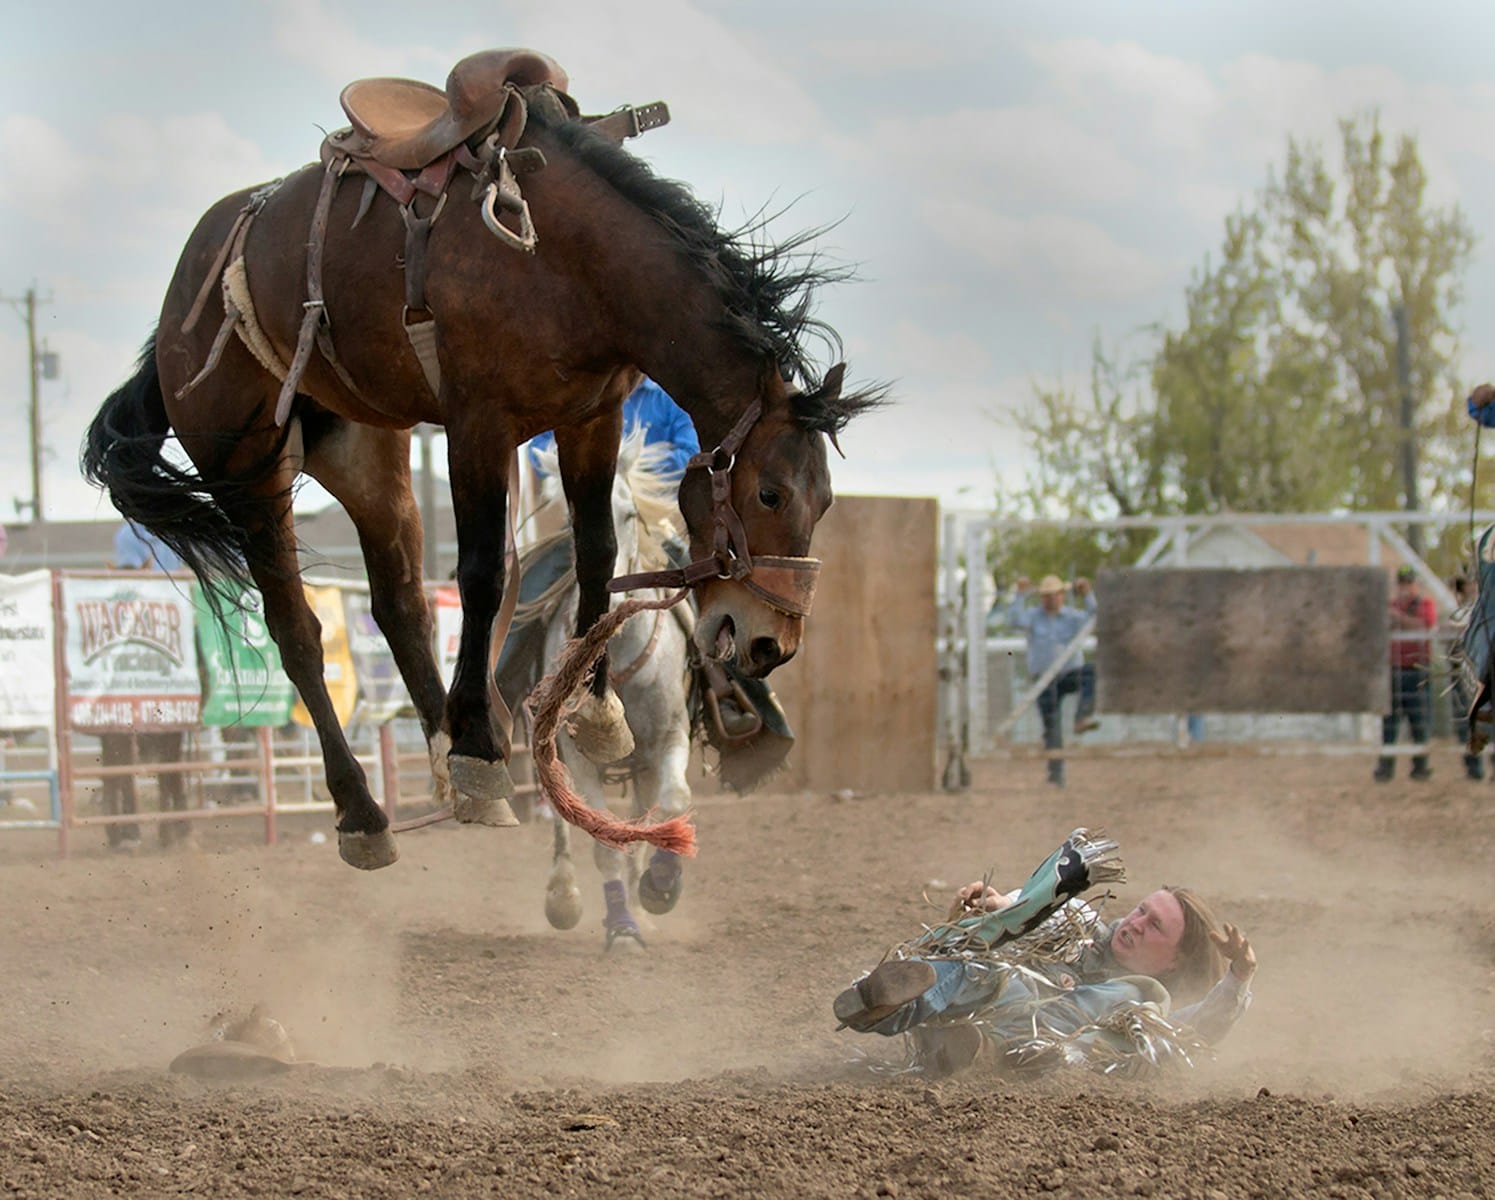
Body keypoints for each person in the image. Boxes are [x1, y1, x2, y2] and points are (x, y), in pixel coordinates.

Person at [834, 830, 1256, 1078]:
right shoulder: (1082, 920)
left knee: (1139, 1000)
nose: (1135, 923)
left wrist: (1238, 976)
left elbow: (1199, 1027)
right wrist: (996, 907)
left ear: (1177, 959)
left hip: (1041, 1044)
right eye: (1141, 910)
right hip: (993, 1001)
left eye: (1155, 926)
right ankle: (884, 1004)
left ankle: (970, 1049)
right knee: (985, 973)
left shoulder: (1150, 1011)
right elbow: (1026, 911)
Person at [101, 521, 191, 851]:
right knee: (163, 745)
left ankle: (141, 827)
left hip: (164, 629)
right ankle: (164, 824)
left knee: (151, 745)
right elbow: (130, 576)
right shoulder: (141, 533)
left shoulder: (147, 532)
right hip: (164, 629)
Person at [1004, 574, 1098, 787]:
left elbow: (1096, 617)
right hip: (1043, 679)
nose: (1051, 599)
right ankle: (1056, 775)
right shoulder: (1034, 617)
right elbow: (1013, 620)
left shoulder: (1073, 617)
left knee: (1090, 674)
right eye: (1047, 596)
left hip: (1068, 673)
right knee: (1051, 727)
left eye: (1055, 595)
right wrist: (1019, 595)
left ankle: (1082, 716)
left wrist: (1087, 594)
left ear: (1062, 596)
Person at [527, 375, 699, 479]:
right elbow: (537, 451)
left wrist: (637, 467)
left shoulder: (669, 397)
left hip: (656, 510)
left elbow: (691, 454)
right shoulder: (579, 394)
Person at [1375, 564, 1436, 782]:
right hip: (1394, 670)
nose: (1405, 588)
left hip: (1417, 671)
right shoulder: (1393, 606)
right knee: (1389, 723)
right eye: (1402, 583)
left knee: (1419, 722)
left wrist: (1397, 617)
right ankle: (1385, 767)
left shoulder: (1425, 604)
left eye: (1409, 583)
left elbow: (1423, 626)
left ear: (1416, 585)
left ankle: (1421, 767)